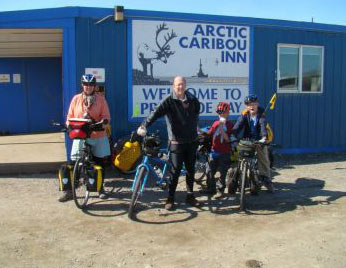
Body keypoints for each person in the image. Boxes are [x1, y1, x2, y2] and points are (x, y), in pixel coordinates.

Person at [137, 76, 201, 210]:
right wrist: (144, 125)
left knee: (190, 170)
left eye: (182, 84)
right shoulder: (169, 101)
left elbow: (196, 113)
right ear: (173, 86)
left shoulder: (192, 99)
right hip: (176, 142)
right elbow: (155, 113)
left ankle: (190, 195)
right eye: (178, 85)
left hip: (191, 141)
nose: (180, 87)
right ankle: (170, 198)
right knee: (175, 170)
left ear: (185, 85)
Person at [58, 74, 111, 202]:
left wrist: (103, 122)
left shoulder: (101, 100)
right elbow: (69, 117)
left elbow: (106, 117)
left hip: (97, 135)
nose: (88, 87)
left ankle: (100, 188)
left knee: (100, 162)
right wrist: (68, 125)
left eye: (91, 84)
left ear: (95, 86)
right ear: (82, 85)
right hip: (80, 136)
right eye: (86, 84)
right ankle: (70, 190)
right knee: (73, 162)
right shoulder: (76, 99)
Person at [231, 94, 274, 192]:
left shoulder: (261, 114)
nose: (252, 106)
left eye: (254, 104)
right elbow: (238, 125)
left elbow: (263, 125)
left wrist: (263, 137)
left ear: (257, 104)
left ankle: (266, 178)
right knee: (237, 155)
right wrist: (233, 135)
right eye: (249, 104)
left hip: (259, 140)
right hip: (247, 139)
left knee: (263, 157)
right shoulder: (244, 114)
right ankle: (236, 177)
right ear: (246, 105)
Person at [200, 102, 233, 199]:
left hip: (225, 152)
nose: (221, 114)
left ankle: (220, 191)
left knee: (222, 173)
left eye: (223, 112)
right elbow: (209, 134)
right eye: (219, 112)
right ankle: (211, 188)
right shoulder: (215, 123)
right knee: (209, 171)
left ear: (227, 113)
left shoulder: (230, 125)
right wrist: (200, 131)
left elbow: (228, 139)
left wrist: (222, 128)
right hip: (214, 151)